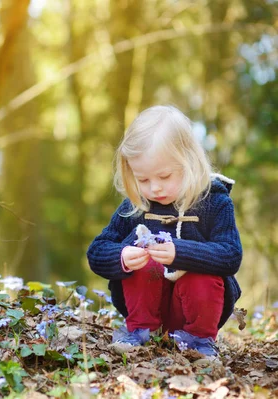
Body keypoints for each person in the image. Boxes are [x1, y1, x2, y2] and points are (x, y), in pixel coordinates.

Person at [87, 105, 242, 357]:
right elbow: (97, 250)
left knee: (201, 272)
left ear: (189, 162)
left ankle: (200, 343)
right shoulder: (136, 206)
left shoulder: (214, 202)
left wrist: (180, 253)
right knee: (141, 258)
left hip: (195, 309)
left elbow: (230, 254)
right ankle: (140, 332)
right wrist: (122, 257)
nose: (155, 188)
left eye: (164, 176)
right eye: (143, 179)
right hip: (147, 305)